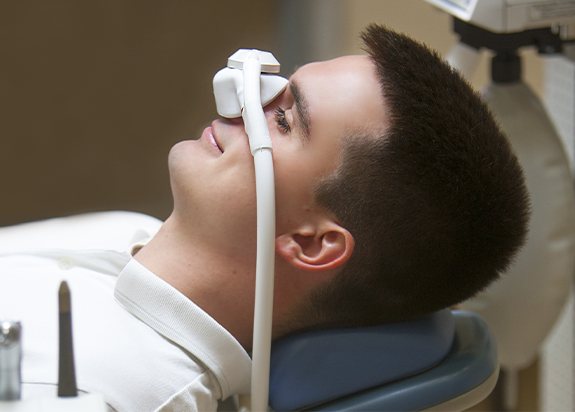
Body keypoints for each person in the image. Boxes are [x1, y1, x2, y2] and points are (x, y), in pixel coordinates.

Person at [0, 24, 529, 411]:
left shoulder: (121, 395)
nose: (240, 101)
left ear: (312, 243)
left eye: (282, 117)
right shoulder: (126, 231)